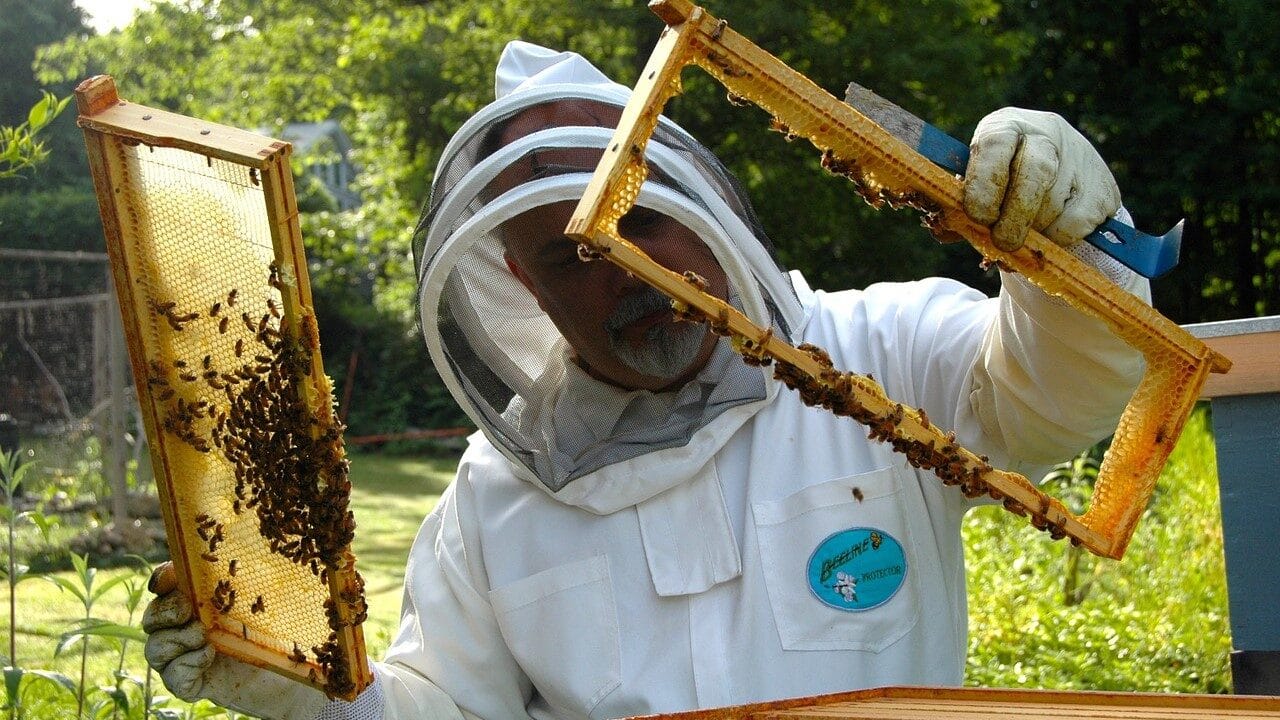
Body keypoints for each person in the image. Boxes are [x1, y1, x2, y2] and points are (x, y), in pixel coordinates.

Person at [141, 41, 1149, 720]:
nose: (625, 272)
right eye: (573, 255)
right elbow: (440, 706)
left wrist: (1070, 251)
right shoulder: (494, 506)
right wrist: (295, 684)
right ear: (519, 281)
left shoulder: (878, 354)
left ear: (697, 202)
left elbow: (1050, 395)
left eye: (638, 222)